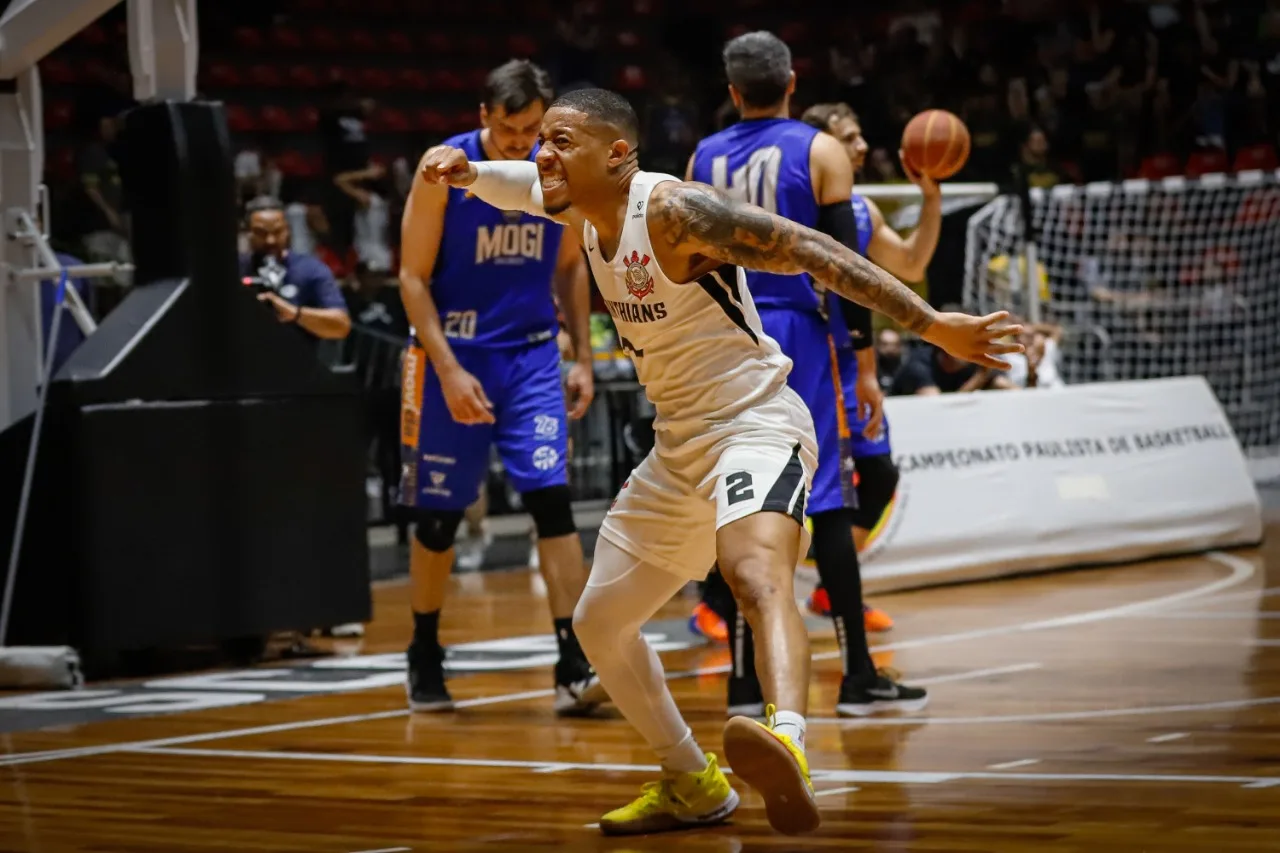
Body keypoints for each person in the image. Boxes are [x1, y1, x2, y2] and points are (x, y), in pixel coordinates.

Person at [418, 87, 1020, 836]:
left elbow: (810, 248)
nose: (541, 153)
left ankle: (791, 743)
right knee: (600, 623)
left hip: (755, 422)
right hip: (679, 445)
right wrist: (466, 173)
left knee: (755, 573)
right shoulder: (575, 204)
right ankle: (690, 779)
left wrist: (931, 324)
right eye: (540, 139)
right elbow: (514, 187)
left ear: (617, 152)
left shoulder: (673, 213)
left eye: (560, 140)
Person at [687, 33, 921, 719]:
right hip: (800, 333)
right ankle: (855, 676)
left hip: (727, 335)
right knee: (828, 500)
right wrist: (867, 367)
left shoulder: (702, 156)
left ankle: (740, 681)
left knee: (738, 499)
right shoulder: (818, 151)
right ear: (792, 82)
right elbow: (848, 274)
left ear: (733, 91)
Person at [398, 60, 602, 715]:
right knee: (439, 517)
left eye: (532, 129)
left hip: (532, 357)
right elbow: (410, 278)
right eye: (510, 128)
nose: (521, 142)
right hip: (449, 356)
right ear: (483, 116)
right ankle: (424, 647)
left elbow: (571, 267)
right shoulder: (443, 171)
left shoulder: (556, 171)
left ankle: (573, 657)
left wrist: (584, 356)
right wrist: (449, 369)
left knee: (552, 499)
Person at [799, 100, 946, 624]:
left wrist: (931, 198)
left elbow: (909, 261)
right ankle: (717, 604)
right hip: (801, 361)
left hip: (850, 360)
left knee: (879, 476)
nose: (862, 147)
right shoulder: (792, 206)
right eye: (850, 136)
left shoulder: (862, 210)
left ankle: (829, 587)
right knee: (799, 489)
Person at [239, 197, 353, 343]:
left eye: (278, 232)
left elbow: (342, 326)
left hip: (296, 363)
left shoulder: (311, 269)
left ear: (288, 230)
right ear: (247, 232)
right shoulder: (232, 269)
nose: (270, 240)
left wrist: (294, 313)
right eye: (261, 233)